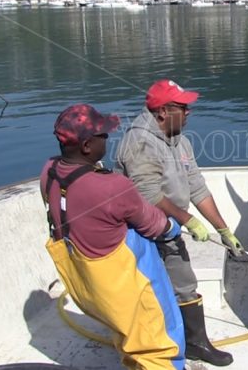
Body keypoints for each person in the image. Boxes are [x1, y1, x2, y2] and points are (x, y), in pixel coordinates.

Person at [40, 103, 185, 370]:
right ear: (86, 146)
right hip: (123, 286)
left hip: (86, 286)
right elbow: (153, 225)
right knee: (158, 346)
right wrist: (174, 227)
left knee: (128, 333)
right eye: (103, 135)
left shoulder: (49, 172)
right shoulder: (112, 186)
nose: (108, 139)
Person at [116, 79, 247, 367]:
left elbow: (197, 187)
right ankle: (158, 347)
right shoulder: (139, 143)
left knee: (184, 283)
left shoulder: (181, 141)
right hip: (142, 231)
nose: (188, 112)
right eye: (182, 107)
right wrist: (189, 220)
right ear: (163, 111)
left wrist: (223, 229)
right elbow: (147, 194)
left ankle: (194, 344)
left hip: (170, 226)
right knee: (151, 289)